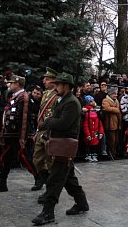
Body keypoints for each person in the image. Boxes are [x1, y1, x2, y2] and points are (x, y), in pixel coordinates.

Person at [32, 72, 89, 225]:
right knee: (68, 178)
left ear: (66, 86)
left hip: (65, 145)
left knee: (55, 179)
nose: (55, 86)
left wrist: (47, 122)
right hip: (60, 143)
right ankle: (82, 203)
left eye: (58, 84)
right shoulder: (63, 99)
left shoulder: (71, 102)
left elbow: (63, 123)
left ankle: (48, 212)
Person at [0, 75, 35, 193]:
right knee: (5, 157)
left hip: (17, 135)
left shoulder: (23, 97)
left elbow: (24, 118)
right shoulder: (14, 96)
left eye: (11, 83)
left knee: (24, 157)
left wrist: (22, 136)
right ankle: (1, 182)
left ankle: (39, 177)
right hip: (10, 134)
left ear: (18, 84)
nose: (9, 85)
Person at [32, 68, 59, 194]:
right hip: (41, 131)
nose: (44, 81)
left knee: (50, 162)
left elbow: (55, 116)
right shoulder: (45, 94)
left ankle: (50, 189)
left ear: (54, 81)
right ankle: (45, 179)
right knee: (36, 160)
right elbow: (40, 114)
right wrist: (37, 130)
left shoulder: (57, 96)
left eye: (47, 79)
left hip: (49, 132)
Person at [83, 96, 104, 162]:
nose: (93, 102)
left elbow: (100, 122)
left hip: (95, 130)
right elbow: (85, 125)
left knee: (95, 144)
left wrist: (101, 132)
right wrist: (87, 134)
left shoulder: (96, 110)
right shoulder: (86, 111)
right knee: (89, 144)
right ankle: (89, 155)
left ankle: (94, 155)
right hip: (89, 130)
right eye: (91, 101)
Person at [102, 86, 121, 159]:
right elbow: (107, 108)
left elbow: (116, 110)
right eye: (114, 94)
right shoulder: (105, 100)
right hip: (110, 123)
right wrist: (116, 109)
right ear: (110, 94)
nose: (115, 95)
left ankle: (114, 153)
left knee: (116, 140)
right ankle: (110, 153)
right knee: (111, 140)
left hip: (117, 123)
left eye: (116, 94)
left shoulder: (116, 101)